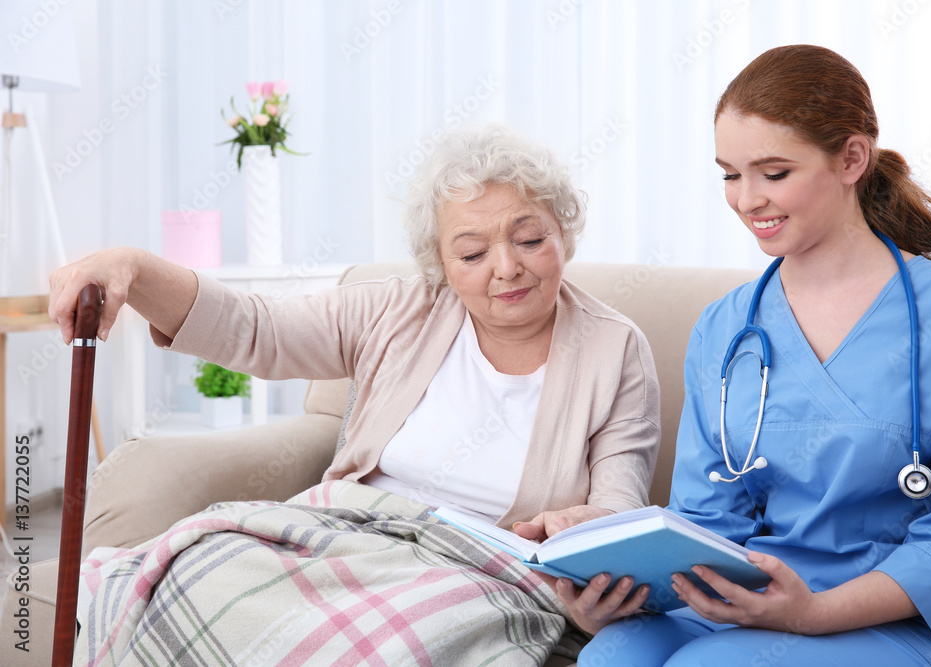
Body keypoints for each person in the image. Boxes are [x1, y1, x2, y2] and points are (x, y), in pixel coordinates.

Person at [48, 126, 660, 665]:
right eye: (473, 252)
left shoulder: (615, 348)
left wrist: (590, 541)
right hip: (349, 539)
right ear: (440, 262)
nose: (506, 268)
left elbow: (618, 507)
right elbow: (255, 329)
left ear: (564, 232)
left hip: (479, 574)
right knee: (196, 570)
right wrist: (134, 266)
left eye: (529, 240)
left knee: (410, 639)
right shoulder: (397, 309)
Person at [559, 45, 931, 666]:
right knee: (612, 655)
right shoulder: (725, 326)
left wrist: (813, 613)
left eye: (773, 173)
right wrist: (617, 588)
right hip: (751, 597)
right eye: (730, 175)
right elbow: (706, 518)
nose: (746, 200)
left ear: (852, 159)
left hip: (905, 614)